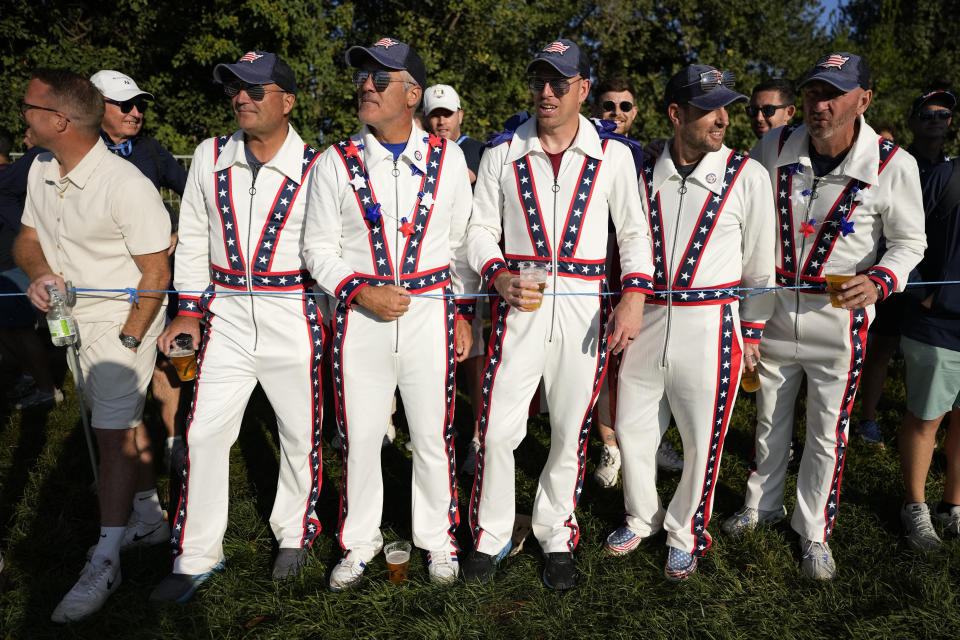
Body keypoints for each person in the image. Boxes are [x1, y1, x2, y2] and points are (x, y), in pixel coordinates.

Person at [722, 53, 926, 580]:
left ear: (864, 100)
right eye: (813, 93)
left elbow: (909, 243)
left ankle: (812, 530)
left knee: (826, 430)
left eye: (834, 94)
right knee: (769, 417)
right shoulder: (773, 146)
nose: (821, 104)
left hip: (839, 317)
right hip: (773, 308)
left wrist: (881, 279)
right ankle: (761, 504)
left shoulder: (891, 164)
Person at [463, 39, 653, 590]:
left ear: (583, 90)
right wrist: (496, 272)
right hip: (518, 303)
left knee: (570, 429)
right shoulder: (502, 152)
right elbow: (478, 228)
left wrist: (634, 296)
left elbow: (634, 232)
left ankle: (554, 532)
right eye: (539, 82)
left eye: (559, 83)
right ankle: (492, 532)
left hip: (586, 306)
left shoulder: (614, 155)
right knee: (497, 430)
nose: (546, 93)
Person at [150, 51, 324, 602]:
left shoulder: (319, 164)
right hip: (224, 312)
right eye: (234, 88)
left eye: (254, 88)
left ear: (287, 101)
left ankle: (294, 532)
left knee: (299, 431)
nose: (240, 97)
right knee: (202, 432)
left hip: (290, 310)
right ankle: (197, 554)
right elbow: (195, 234)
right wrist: (188, 309)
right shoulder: (210, 153)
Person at [304, 37, 476, 590]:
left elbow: (460, 243)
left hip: (430, 314)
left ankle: (437, 540)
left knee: (432, 435)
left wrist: (463, 312)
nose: (366, 87)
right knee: (361, 435)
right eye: (363, 78)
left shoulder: (450, 159)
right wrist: (359, 290)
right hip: (362, 320)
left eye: (381, 79)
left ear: (412, 93)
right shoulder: (335, 160)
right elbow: (316, 249)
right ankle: (359, 542)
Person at [605, 65, 775, 580]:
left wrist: (752, 330)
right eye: (708, 109)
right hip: (647, 314)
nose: (722, 118)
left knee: (703, 437)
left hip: (711, 322)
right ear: (677, 114)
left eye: (726, 106)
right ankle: (641, 515)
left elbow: (760, 266)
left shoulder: (748, 175)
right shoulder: (642, 169)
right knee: (633, 428)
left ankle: (685, 530)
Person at [15, 68, 171, 622]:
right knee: (122, 426)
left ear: (59, 120)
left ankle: (105, 558)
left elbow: (157, 271)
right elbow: (29, 238)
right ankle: (149, 517)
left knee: (109, 437)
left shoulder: (127, 184)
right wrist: (40, 275)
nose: (21, 116)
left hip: (125, 321)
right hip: (72, 321)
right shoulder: (39, 170)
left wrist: (130, 338)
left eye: (29, 107)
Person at [90, 69, 189, 471]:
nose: (135, 113)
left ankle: (176, 442)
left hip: (163, 276)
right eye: (125, 105)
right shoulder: (73, 154)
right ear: (95, 107)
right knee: (114, 366)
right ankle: (123, 456)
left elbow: (196, 194)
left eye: (139, 105)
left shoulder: (150, 150)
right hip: (106, 287)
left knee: (177, 353)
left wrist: (180, 235)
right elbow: (13, 194)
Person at [590, 76, 683, 487]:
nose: (616, 114)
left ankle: (648, 439)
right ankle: (610, 445)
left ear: (636, 111)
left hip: (642, 262)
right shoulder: (587, 145)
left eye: (624, 107)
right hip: (597, 259)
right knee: (604, 356)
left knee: (642, 355)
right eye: (608, 106)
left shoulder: (650, 154)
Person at [856, 91, 954, 444]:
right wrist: (911, 282)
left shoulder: (951, 168)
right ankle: (867, 419)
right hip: (899, 277)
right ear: (913, 121)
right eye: (927, 114)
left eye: (943, 114)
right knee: (882, 348)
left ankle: (921, 422)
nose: (936, 119)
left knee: (925, 361)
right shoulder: (895, 163)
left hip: (939, 283)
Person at [422, 83, 486, 473]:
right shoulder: (417, 153)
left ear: (460, 114)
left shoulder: (481, 150)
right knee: (431, 358)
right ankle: (432, 434)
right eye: (435, 114)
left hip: (469, 268)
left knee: (473, 357)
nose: (442, 120)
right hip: (427, 267)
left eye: (447, 113)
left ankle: (477, 438)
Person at [897, 155, 960, 550]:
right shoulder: (946, 175)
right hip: (938, 324)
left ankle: (952, 506)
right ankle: (914, 507)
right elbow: (898, 232)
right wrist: (924, 294)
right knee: (926, 419)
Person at [0, 134, 60, 410]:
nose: (25, 136)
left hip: (12, 262)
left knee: (22, 330)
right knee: (10, 330)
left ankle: (47, 388)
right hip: (8, 262)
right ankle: (29, 376)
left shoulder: (27, 164)